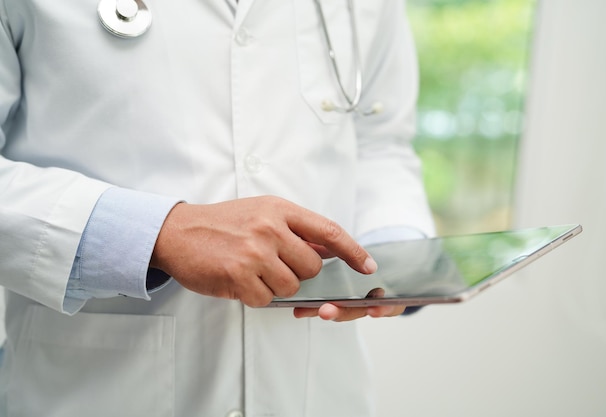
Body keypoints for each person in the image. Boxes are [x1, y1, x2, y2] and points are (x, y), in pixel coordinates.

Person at [0, 0, 435, 415]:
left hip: (320, 387)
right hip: (94, 388)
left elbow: (380, 143)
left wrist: (395, 253)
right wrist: (158, 234)